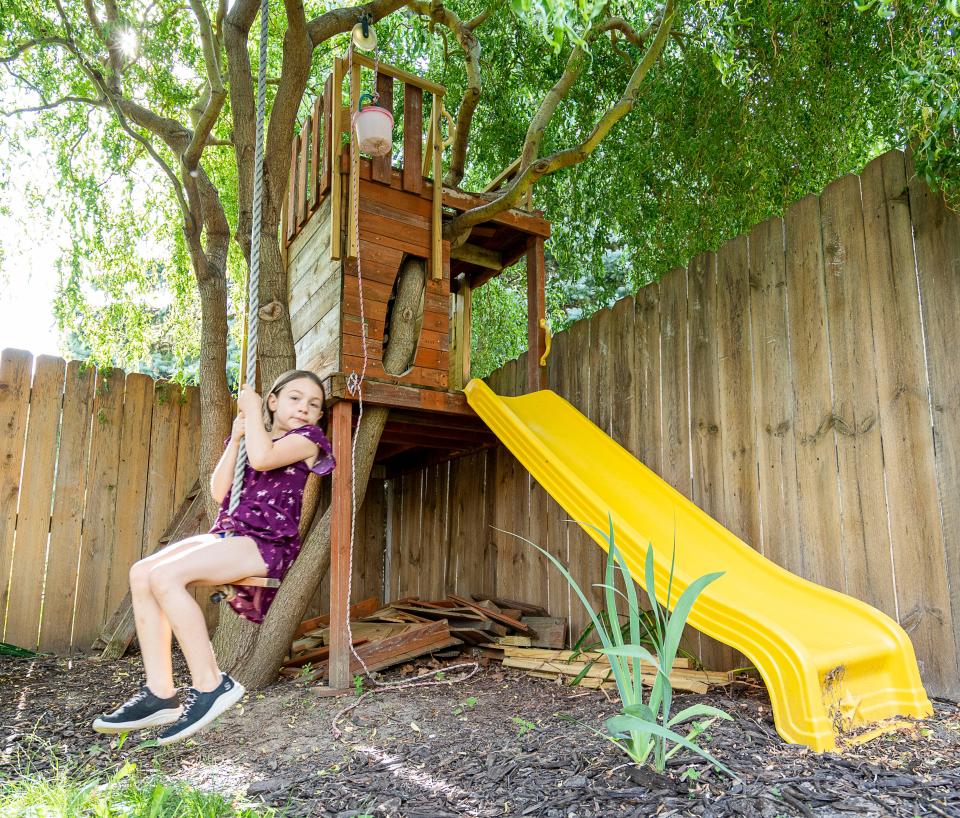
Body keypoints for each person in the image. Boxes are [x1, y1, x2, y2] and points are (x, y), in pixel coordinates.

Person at [92, 370, 335, 745]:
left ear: (318, 416)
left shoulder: (308, 439)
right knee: (143, 572)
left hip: (266, 543)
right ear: (274, 401)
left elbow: (264, 457)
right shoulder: (253, 434)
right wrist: (237, 434)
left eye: (313, 404)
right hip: (229, 534)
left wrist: (252, 415)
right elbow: (221, 491)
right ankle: (161, 694)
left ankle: (212, 684)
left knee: (166, 577)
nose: (304, 407)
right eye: (295, 398)